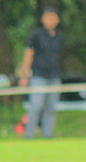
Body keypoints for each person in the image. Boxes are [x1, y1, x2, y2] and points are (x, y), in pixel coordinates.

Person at [18, 8, 66, 139]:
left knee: (51, 108)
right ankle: (29, 135)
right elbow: (28, 55)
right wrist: (24, 75)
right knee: (36, 106)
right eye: (48, 18)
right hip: (39, 75)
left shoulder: (60, 37)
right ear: (43, 20)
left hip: (54, 76)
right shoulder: (36, 36)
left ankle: (48, 135)